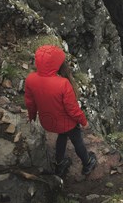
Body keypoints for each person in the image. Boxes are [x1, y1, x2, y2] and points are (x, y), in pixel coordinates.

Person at [24, 44, 97, 177]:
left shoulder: (30, 79)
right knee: (77, 141)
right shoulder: (62, 83)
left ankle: (60, 164)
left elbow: (30, 102)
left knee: (62, 136)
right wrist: (84, 122)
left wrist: (32, 116)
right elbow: (72, 109)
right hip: (67, 123)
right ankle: (87, 163)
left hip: (48, 121)